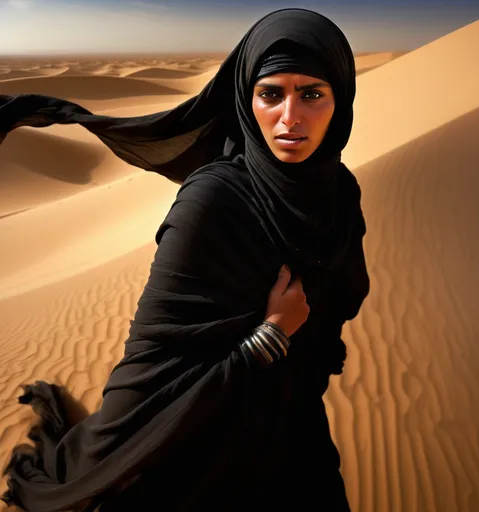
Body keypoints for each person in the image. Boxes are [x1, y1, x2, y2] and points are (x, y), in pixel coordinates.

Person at [0, 7, 370, 511]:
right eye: (270, 94)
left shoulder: (339, 194)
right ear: (246, 98)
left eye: (312, 94)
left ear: (340, 100)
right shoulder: (211, 201)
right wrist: (271, 337)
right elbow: (151, 374)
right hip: (203, 448)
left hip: (296, 423)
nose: (290, 118)